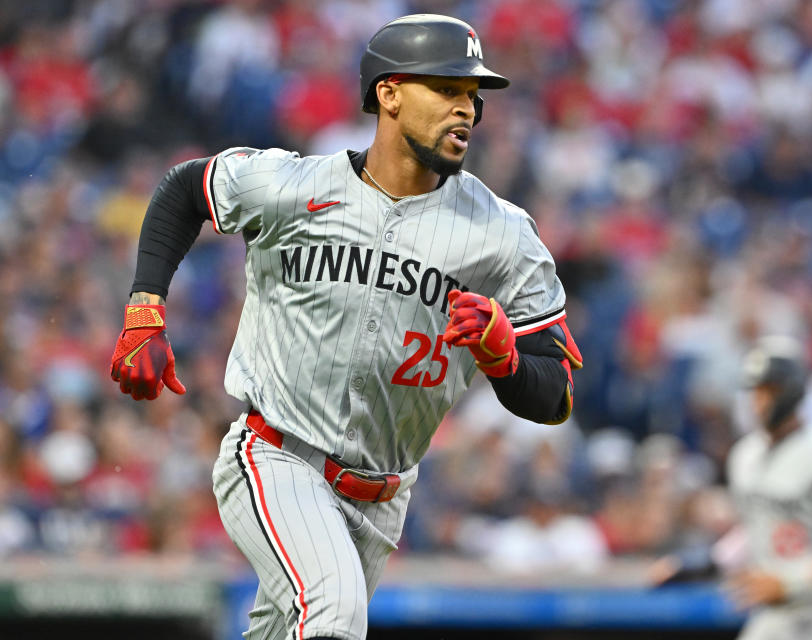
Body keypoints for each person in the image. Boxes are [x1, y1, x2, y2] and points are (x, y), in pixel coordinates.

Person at [108, 14, 581, 640]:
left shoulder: (504, 235)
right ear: (388, 94)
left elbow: (557, 397)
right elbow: (184, 189)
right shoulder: (293, 185)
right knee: (332, 614)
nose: (465, 109)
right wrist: (146, 305)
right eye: (445, 89)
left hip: (382, 498)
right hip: (276, 456)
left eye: (472, 95)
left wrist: (505, 361)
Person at [649, 336, 812, 640]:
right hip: (775, 615)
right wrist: (702, 565)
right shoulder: (745, 455)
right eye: (756, 390)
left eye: (770, 390)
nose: (760, 400)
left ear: (793, 389)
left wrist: (793, 581)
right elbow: (758, 528)